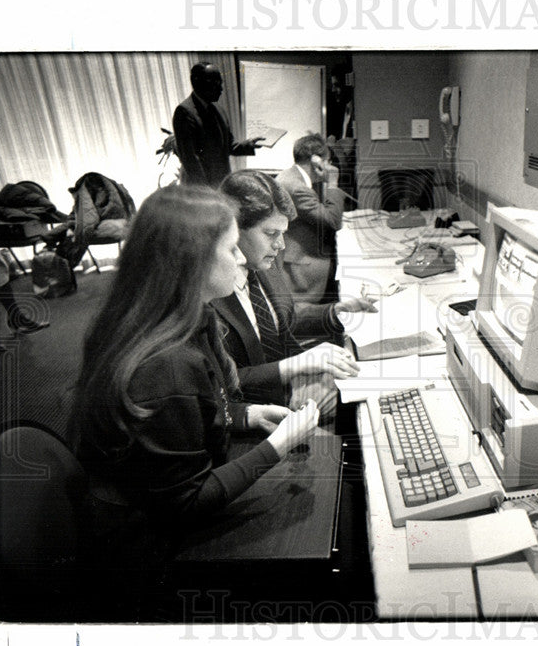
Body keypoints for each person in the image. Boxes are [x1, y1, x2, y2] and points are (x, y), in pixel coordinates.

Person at [68, 186, 320, 606]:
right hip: (151, 551)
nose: (241, 259)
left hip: (167, 503)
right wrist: (278, 446)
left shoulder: (180, 318)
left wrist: (247, 414)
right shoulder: (166, 365)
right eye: (231, 249)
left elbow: (204, 407)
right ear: (192, 263)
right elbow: (184, 504)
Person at [213, 170, 376, 416]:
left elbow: (280, 320)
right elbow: (225, 382)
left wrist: (336, 311)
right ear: (234, 229)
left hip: (288, 382)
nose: (281, 245)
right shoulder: (211, 288)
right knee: (360, 406)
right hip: (259, 405)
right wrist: (296, 365)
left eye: (283, 233)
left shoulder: (263, 262)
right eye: (271, 233)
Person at [277, 134, 346, 304]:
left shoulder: (292, 177)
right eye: (328, 161)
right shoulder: (297, 187)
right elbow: (333, 222)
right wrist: (333, 184)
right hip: (301, 265)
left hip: (298, 257)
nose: (329, 166)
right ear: (316, 160)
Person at [172, 62, 264, 188]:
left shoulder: (218, 109)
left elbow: (229, 146)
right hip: (201, 191)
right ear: (197, 83)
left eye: (220, 82)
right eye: (215, 82)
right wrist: (207, 193)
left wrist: (249, 144)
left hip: (222, 185)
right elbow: (191, 161)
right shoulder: (184, 112)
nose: (221, 88)